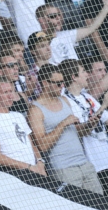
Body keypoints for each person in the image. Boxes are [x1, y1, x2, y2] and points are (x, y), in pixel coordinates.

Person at [28, 63, 104, 194]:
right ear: (45, 83)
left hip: (84, 163)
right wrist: (63, 124)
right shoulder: (35, 110)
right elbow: (42, 145)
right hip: (63, 169)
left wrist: (88, 126)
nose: (62, 86)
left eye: (63, 82)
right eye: (58, 83)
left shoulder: (64, 100)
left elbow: (76, 132)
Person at [60, 60, 108, 193]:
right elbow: (83, 130)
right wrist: (104, 105)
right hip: (93, 163)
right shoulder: (65, 101)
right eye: (83, 72)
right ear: (74, 77)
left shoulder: (87, 97)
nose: (87, 74)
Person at [0, 78, 46, 176]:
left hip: (36, 169)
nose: (10, 95)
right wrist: (29, 167)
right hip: (16, 173)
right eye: (5, 92)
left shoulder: (18, 116)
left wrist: (40, 162)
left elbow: (31, 144)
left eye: (11, 91)